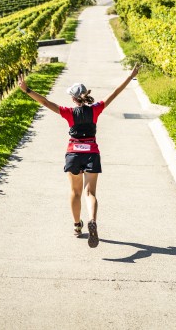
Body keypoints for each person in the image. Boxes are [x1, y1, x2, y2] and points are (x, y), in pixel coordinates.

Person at [19, 65, 139, 248]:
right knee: (90, 193)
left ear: (73, 98)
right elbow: (114, 93)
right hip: (91, 153)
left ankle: (77, 226)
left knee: (75, 192)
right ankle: (92, 219)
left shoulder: (68, 112)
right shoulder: (95, 109)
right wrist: (130, 76)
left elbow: (45, 102)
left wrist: (27, 89)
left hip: (74, 154)